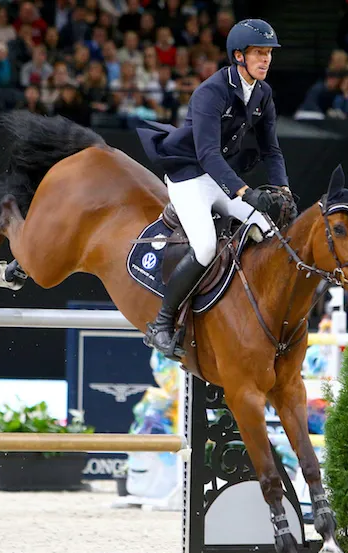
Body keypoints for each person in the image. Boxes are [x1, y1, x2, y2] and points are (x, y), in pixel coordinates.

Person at [136, 18, 291, 359]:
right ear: (239, 56)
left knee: (266, 230)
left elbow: (271, 150)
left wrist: (283, 189)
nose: (266, 59)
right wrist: (245, 192)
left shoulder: (263, 94)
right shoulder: (211, 92)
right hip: (189, 176)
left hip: (218, 176)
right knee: (205, 247)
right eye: (259, 53)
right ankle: (161, 324)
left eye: (268, 53)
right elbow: (206, 154)